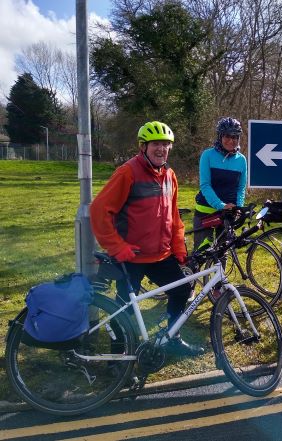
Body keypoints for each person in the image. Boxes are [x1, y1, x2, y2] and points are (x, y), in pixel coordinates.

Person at [90, 121, 202, 357]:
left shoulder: (170, 176)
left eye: (165, 144)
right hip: (132, 256)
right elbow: (99, 210)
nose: (161, 149)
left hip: (161, 255)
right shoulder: (128, 172)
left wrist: (178, 247)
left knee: (181, 291)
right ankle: (118, 359)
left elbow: (173, 216)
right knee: (123, 309)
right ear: (144, 147)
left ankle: (173, 338)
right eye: (155, 144)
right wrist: (117, 246)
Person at [193, 117, 247, 251]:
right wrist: (221, 205)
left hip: (228, 214)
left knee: (222, 254)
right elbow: (205, 185)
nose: (231, 140)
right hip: (205, 212)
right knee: (201, 254)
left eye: (235, 137)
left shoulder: (241, 160)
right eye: (227, 136)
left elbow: (241, 188)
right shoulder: (208, 155)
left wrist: (238, 207)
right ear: (220, 136)